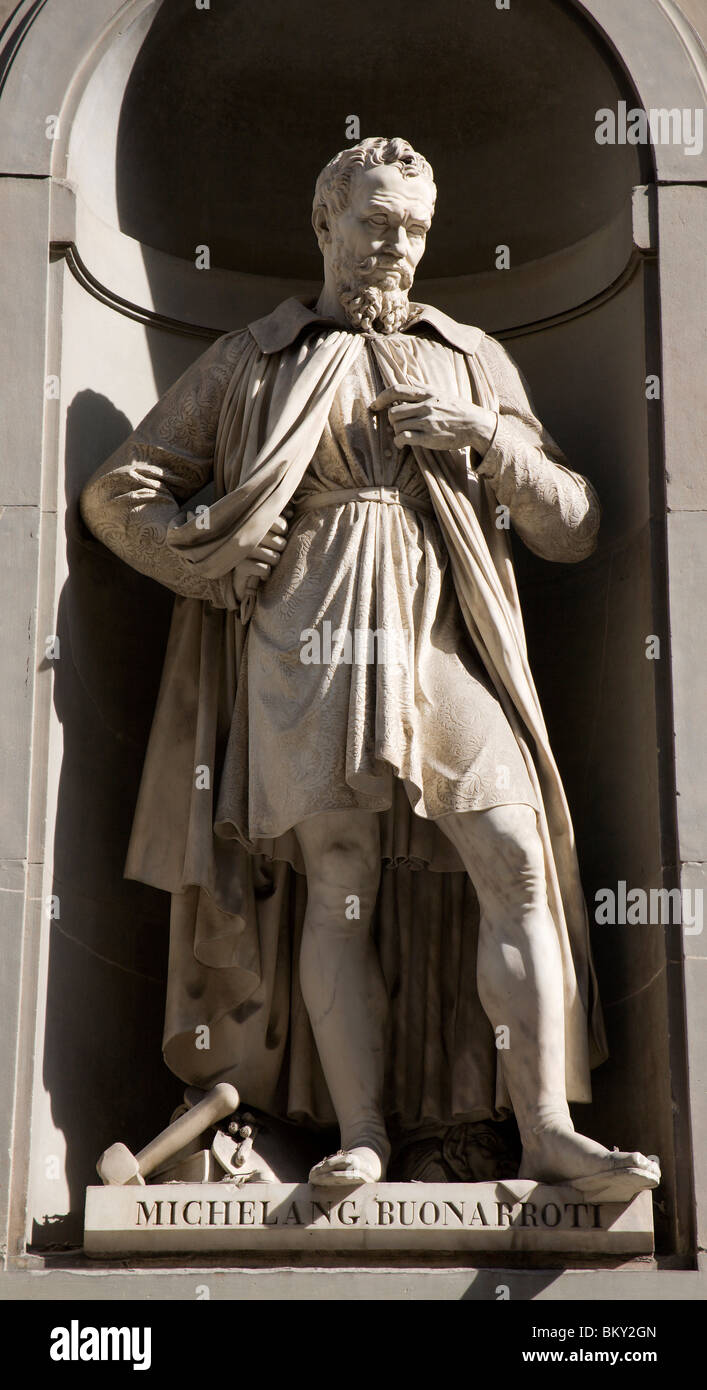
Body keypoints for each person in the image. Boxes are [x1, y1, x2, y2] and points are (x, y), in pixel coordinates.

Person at [81, 138, 659, 1201]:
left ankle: (542, 1127)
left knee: (517, 850)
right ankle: (361, 1134)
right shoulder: (256, 359)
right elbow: (120, 491)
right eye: (375, 224)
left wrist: (483, 436)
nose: (394, 248)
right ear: (325, 224)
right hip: (303, 647)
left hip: (434, 646)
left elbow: (571, 524)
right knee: (337, 887)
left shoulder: (467, 355)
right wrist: (205, 551)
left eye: (412, 230)